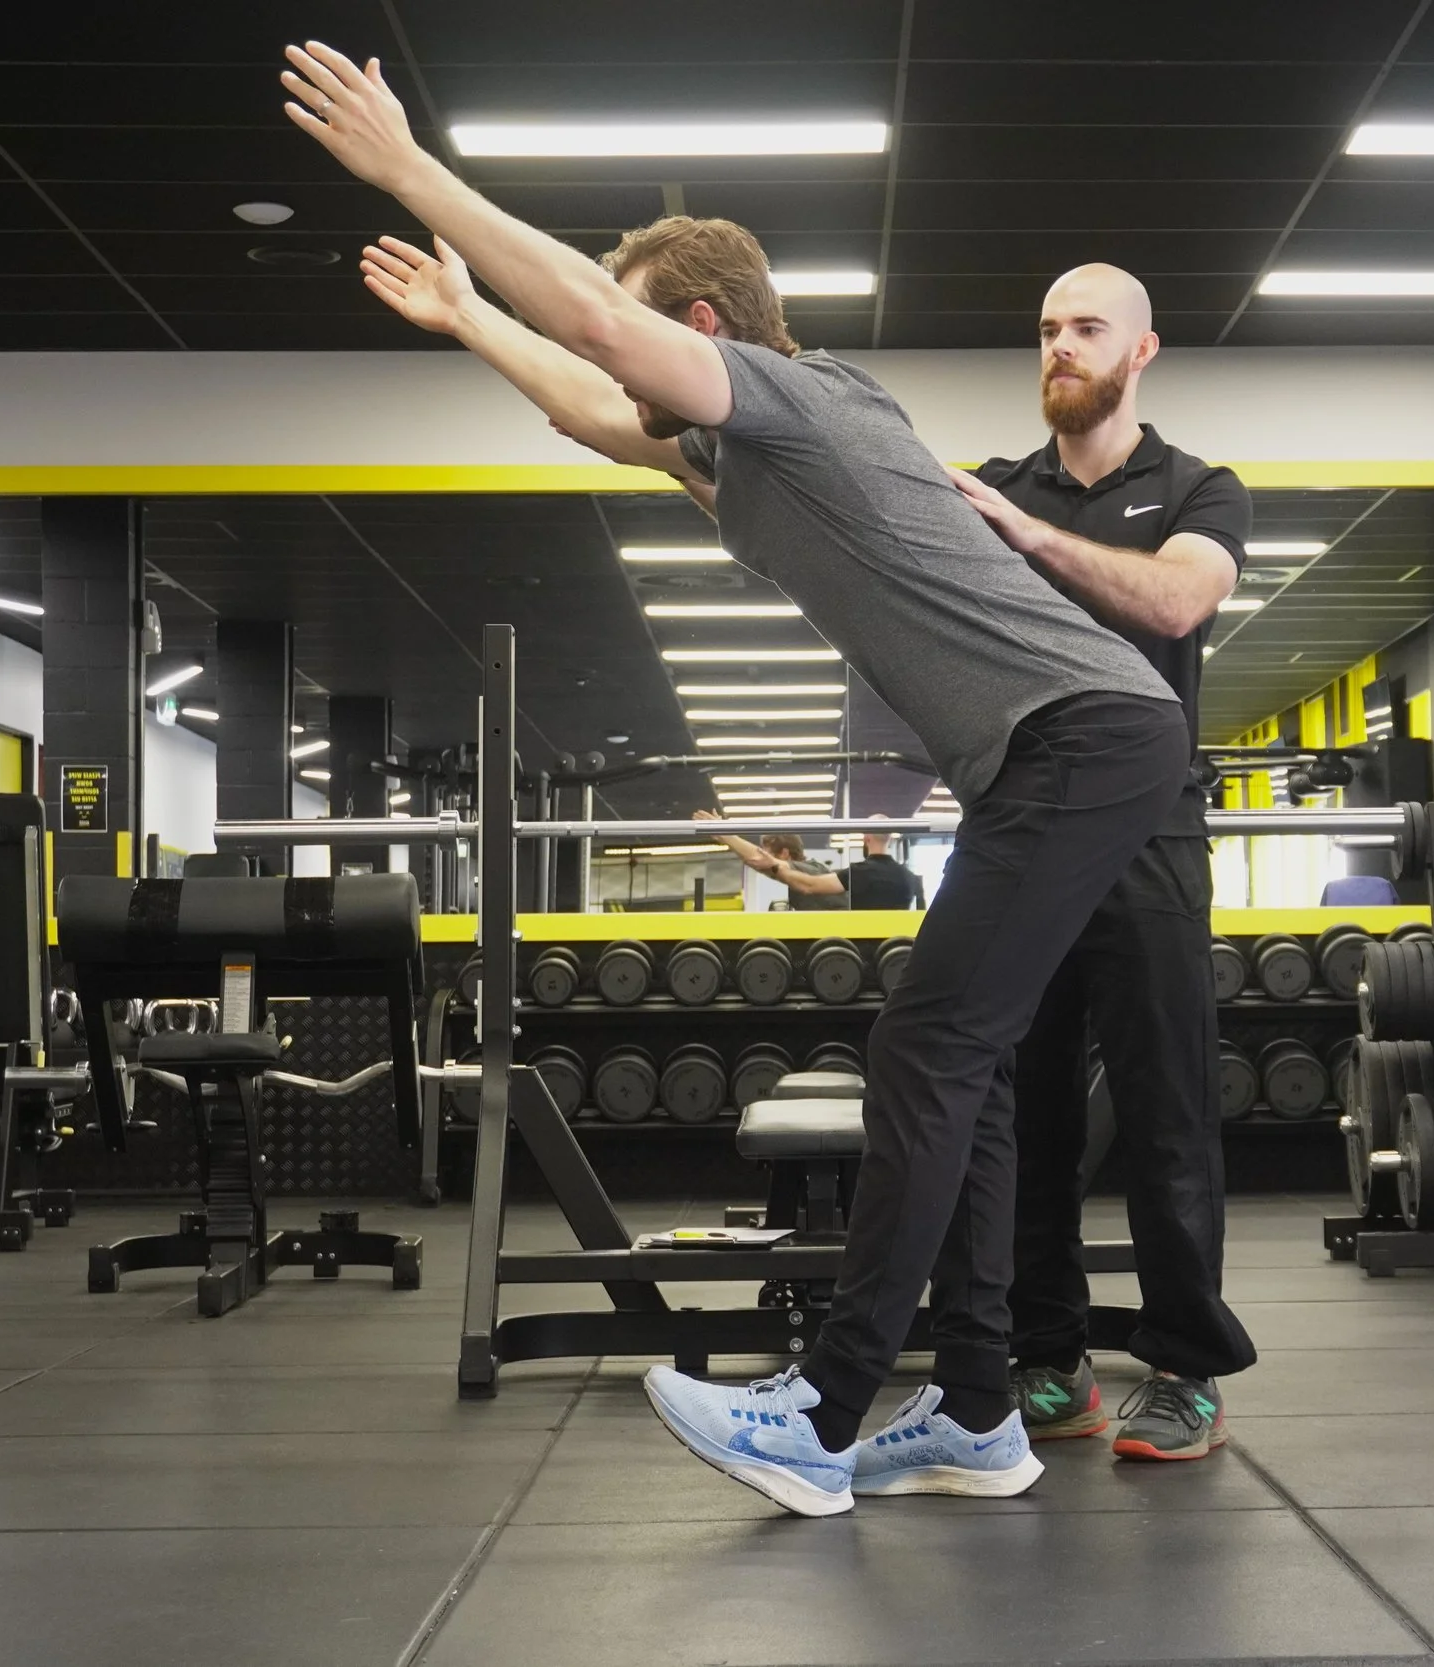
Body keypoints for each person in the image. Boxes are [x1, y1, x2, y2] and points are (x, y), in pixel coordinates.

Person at [282, 43, 1189, 1516]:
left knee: (926, 1051)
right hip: (1061, 745)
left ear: (705, 331)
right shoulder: (757, 455)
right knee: (972, 1069)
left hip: (1084, 732)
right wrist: (459, 315)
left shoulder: (792, 397)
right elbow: (593, 402)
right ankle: (975, 1405)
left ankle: (825, 1412)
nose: (625, 365)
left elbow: (596, 326)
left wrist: (408, 170)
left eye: (650, 340)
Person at [949, 264, 1257, 1461]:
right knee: (1014, 1110)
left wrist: (1021, 534)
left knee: (1166, 1102)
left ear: (1142, 352)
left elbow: (1178, 605)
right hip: (1017, 824)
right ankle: (1047, 1357)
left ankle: (1183, 1365)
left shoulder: (1194, 488)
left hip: (1146, 829)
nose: (1059, 347)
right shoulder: (991, 484)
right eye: (1044, 330)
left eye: (1086, 329)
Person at [694, 812, 845, 909]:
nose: (761, 858)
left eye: (767, 853)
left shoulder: (811, 870)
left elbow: (758, 860)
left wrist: (725, 835)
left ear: (784, 853)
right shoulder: (798, 873)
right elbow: (757, 862)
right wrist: (724, 838)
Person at [844, 819, 924, 911]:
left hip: (862, 925)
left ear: (866, 838)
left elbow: (824, 885)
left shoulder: (854, 873)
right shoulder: (911, 877)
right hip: (900, 925)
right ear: (890, 838)